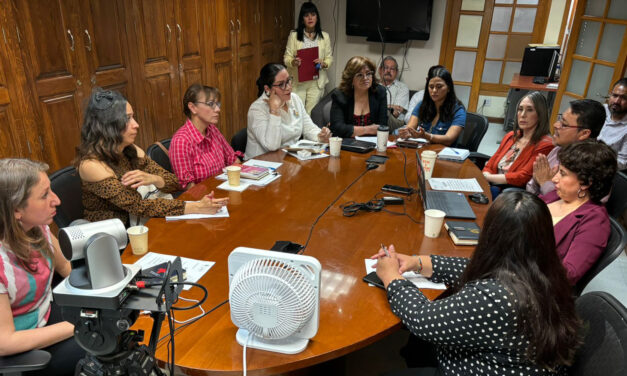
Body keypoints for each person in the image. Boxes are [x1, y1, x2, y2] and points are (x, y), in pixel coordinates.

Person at [372, 191, 581, 375]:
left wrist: (391, 277)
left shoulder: (497, 297)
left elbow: (422, 318)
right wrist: (417, 262)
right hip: (508, 360)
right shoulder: (544, 271)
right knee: (418, 348)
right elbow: (473, 268)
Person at [76, 89, 228, 226]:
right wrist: (195, 207)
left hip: (142, 224)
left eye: (133, 117)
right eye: (127, 119)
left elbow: (174, 183)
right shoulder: (91, 165)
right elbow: (138, 206)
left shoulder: (130, 149)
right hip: (115, 237)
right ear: (108, 125)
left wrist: (154, 178)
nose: (136, 125)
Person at [0, 158, 84, 375]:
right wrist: (79, 323)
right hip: (20, 347)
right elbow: (5, 342)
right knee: (99, 346)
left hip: (43, 314)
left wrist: (101, 296)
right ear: (16, 208)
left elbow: (65, 266)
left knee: (113, 326)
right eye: (44, 194)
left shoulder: (37, 227)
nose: (56, 200)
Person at [541, 139, 617, 285]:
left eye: (562, 173)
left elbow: (568, 274)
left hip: (537, 290)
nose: (554, 179)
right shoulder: (555, 196)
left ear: (586, 183)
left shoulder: (595, 222)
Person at [246, 63, 331, 160]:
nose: (288, 87)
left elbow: (309, 128)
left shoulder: (294, 99)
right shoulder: (257, 109)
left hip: (288, 160)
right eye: (281, 84)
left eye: (288, 81)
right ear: (267, 89)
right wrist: (274, 111)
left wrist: (321, 136)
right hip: (262, 165)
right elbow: (272, 146)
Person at [527, 99, 606, 195]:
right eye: (560, 119)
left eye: (564, 124)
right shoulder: (559, 148)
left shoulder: (593, 164)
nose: (556, 125)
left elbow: (570, 204)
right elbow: (531, 186)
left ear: (584, 133)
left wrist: (545, 183)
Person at [483, 91, 554, 195]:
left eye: (530, 110)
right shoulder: (511, 136)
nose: (523, 115)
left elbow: (523, 177)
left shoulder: (545, 145)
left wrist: (488, 178)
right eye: (520, 109)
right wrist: (485, 176)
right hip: (491, 185)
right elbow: (491, 163)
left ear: (540, 114)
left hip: (510, 193)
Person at [170, 84, 240, 189]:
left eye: (217, 104)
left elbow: (234, 161)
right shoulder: (181, 141)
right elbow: (190, 189)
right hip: (203, 200)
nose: (217, 109)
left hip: (224, 190)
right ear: (193, 107)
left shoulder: (212, 129)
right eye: (211, 104)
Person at [284, 2, 333, 115]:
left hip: (316, 82)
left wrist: (323, 63)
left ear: (317, 17)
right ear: (302, 19)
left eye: (313, 14)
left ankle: (308, 133)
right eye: (306, 15)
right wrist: (293, 62)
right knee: (296, 112)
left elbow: (329, 58)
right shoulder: (294, 36)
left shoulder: (325, 36)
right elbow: (286, 58)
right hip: (299, 81)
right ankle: (297, 133)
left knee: (311, 114)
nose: (310, 18)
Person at [398, 66, 465, 146]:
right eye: (431, 87)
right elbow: (410, 127)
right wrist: (407, 133)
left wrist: (427, 136)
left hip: (444, 154)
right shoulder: (422, 105)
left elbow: (449, 139)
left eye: (439, 87)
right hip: (422, 150)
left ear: (448, 88)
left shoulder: (458, 110)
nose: (434, 91)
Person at [330, 56, 388, 138]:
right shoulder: (340, 95)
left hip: (373, 144)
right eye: (359, 75)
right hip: (348, 144)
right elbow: (337, 129)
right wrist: (369, 129)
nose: (365, 78)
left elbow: (382, 126)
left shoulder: (380, 92)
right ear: (350, 79)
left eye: (368, 74)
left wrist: (354, 130)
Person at [598, 78, 627, 171]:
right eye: (614, 95)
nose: (616, 101)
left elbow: (622, 163)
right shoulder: (602, 110)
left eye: (624, 98)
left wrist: (595, 161)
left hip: (602, 171)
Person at [378, 56, 409, 131]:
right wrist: (390, 107)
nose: (388, 71)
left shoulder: (402, 87)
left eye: (392, 69)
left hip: (395, 122)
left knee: (385, 113)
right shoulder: (374, 86)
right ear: (380, 70)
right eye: (386, 68)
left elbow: (395, 114)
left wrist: (380, 107)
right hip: (377, 118)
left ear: (396, 72)